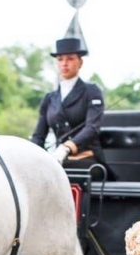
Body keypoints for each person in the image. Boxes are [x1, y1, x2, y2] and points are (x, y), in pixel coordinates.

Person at [30, 37, 110, 178]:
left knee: (53, 171)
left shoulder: (91, 91)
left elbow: (92, 128)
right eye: (60, 59)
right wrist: (30, 155)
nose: (64, 64)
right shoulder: (49, 98)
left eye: (70, 59)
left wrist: (67, 147)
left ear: (80, 62)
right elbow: (39, 135)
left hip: (88, 158)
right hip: (58, 159)